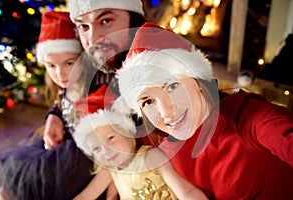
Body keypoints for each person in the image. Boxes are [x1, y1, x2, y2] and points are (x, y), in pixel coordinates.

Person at [117, 22, 293, 199]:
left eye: (172, 86)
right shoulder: (162, 142)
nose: (165, 112)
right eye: (148, 101)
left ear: (198, 80)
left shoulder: (249, 118)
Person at [0, 11, 110, 200]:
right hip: (67, 142)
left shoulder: (98, 82)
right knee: (16, 170)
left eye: (69, 63)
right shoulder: (66, 85)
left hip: (86, 155)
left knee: (39, 183)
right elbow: (61, 102)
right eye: (51, 66)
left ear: (84, 57)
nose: (60, 74)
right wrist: (53, 115)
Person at [72, 99, 208, 200]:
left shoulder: (149, 157)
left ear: (127, 132)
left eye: (110, 138)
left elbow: (186, 192)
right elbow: (85, 197)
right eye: (96, 148)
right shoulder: (109, 171)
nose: (106, 150)